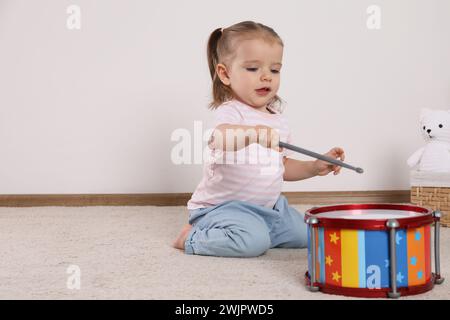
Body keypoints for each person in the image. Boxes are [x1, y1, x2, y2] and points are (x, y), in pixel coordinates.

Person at [173, 21, 345, 257]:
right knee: (252, 243)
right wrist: (252, 134)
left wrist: (314, 167)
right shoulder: (231, 111)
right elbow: (220, 138)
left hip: (269, 208)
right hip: (222, 208)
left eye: (274, 70)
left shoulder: (279, 121)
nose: (266, 77)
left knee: (306, 232)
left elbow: (282, 167)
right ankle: (191, 237)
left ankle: (259, 231)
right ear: (225, 74)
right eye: (253, 69)